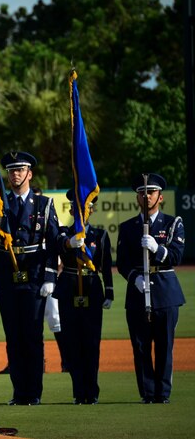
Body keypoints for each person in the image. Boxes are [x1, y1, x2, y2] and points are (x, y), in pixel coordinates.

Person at [0, 151, 59, 406]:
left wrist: (50, 275)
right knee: (13, 336)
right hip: (8, 274)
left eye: (20, 170)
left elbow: (53, 242)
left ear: (30, 173)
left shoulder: (44, 204)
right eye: (11, 170)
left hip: (35, 273)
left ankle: (34, 392)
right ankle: (19, 392)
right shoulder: (0, 202)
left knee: (33, 335)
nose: (15, 174)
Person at [116, 173, 185, 404]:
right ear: (137, 197)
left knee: (164, 347)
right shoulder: (127, 228)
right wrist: (135, 277)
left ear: (160, 197)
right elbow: (123, 262)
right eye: (142, 192)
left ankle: (162, 394)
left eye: (151, 192)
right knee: (141, 347)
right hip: (137, 291)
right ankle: (147, 393)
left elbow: (176, 257)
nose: (146, 196)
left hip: (165, 293)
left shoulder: (172, 223)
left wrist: (158, 249)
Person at [54, 189, 114, 404]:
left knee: (91, 343)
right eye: (77, 208)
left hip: (92, 289)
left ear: (92, 210)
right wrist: (70, 242)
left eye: (86, 208)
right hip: (69, 289)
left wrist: (109, 292)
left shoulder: (100, 235)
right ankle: (79, 392)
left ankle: (92, 391)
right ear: (71, 210)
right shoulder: (63, 233)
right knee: (72, 344)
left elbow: (106, 266)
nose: (81, 212)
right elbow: (57, 246)